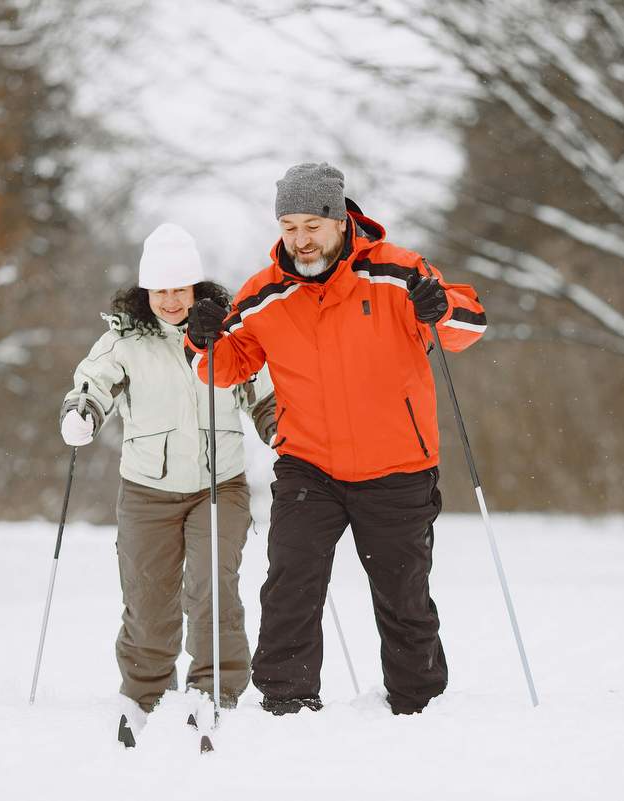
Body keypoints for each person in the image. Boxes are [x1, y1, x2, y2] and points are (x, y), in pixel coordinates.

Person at [184, 162, 487, 716]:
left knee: (404, 597)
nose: (299, 240)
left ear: (339, 219)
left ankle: (419, 705)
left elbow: (469, 325)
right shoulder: (262, 295)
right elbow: (223, 367)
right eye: (288, 227)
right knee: (290, 583)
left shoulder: (397, 273)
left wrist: (440, 307)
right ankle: (286, 702)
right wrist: (199, 336)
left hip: (397, 465)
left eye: (311, 226)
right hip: (309, 466)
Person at [59, 222, 275, 723]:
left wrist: (281, 430)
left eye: (180, 288)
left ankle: (215, 688)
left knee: (210, 585)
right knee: (147, 593)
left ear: (196, 287)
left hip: (218, 486)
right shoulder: (125, 340)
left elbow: (262, 393)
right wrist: (81, 413)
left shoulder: (227, 335)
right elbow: (93, 383)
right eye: (161, 290)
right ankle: (144, 692)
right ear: (146, 292)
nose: (171, 300)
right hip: (146, 491)